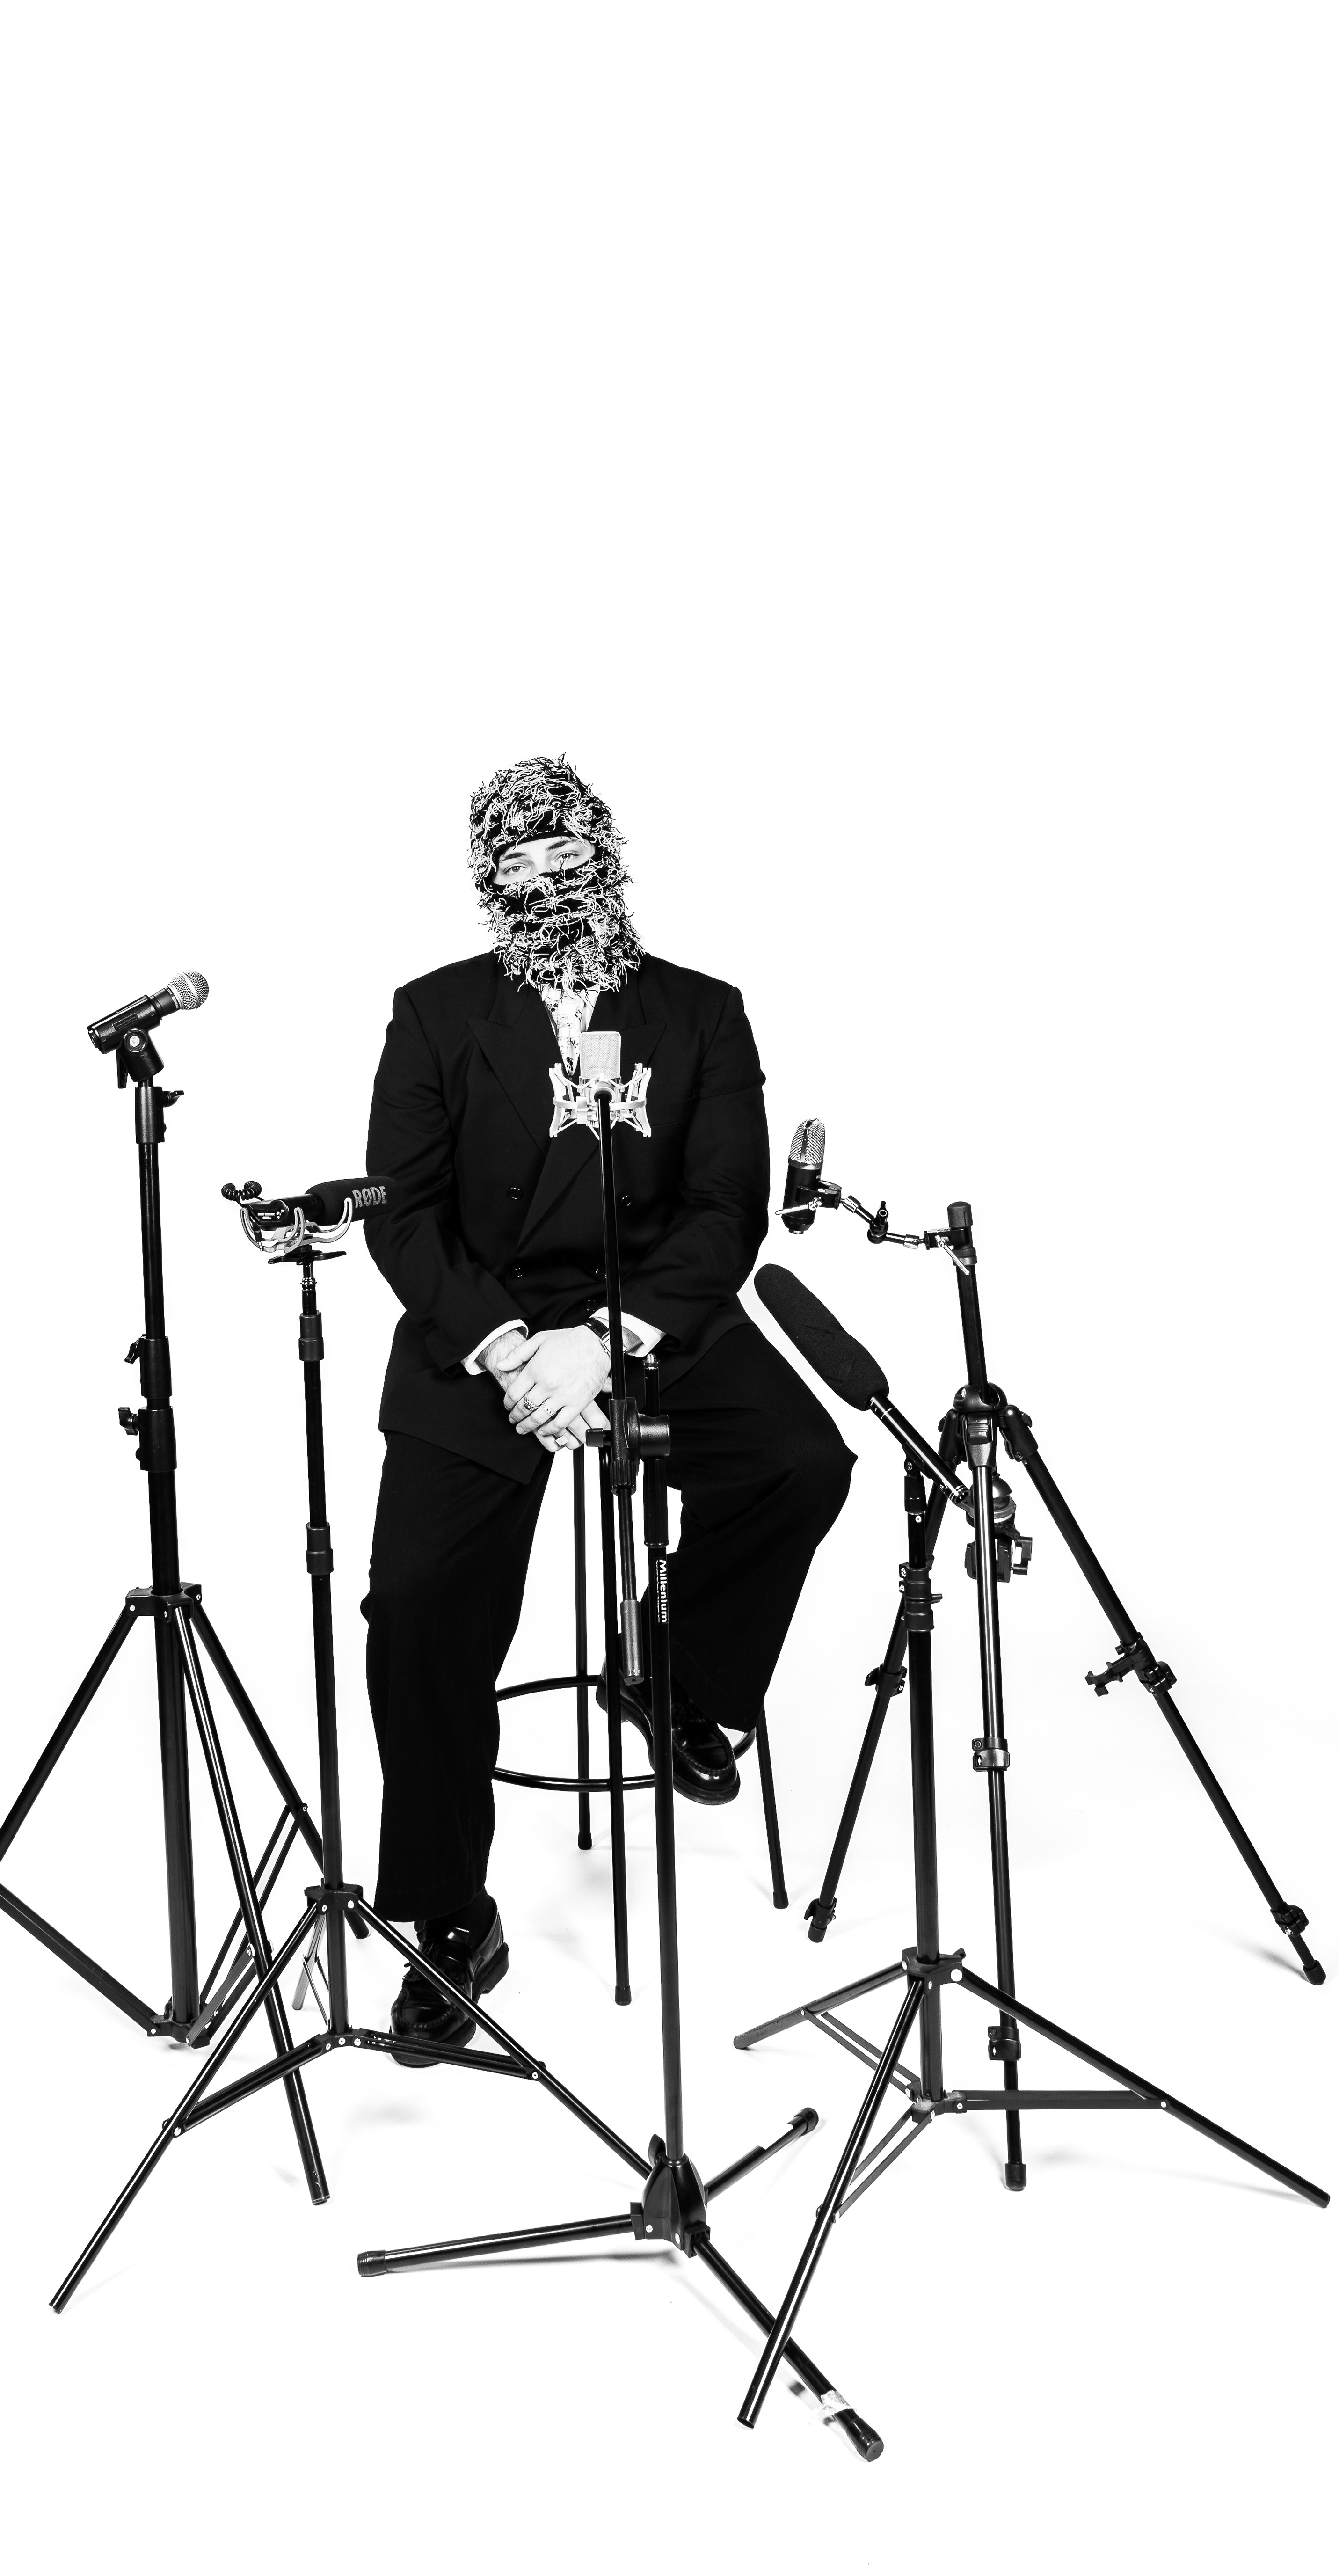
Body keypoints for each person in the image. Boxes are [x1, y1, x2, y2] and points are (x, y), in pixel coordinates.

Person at [362, 754, 853, 2059]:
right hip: (486, 1334)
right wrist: (514, 1350)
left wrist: (608, 1344)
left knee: (801, 1460)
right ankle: (449, 1913)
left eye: (565, 852)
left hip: (649, 1318)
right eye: (517, 864)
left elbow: (727, 1209)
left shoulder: (700, 1013)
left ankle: (672, 1667)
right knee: (416, 1606)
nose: (546, 881)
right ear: (490, 883)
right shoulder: (435, 1014)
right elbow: (402, 1215)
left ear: (607, 855)